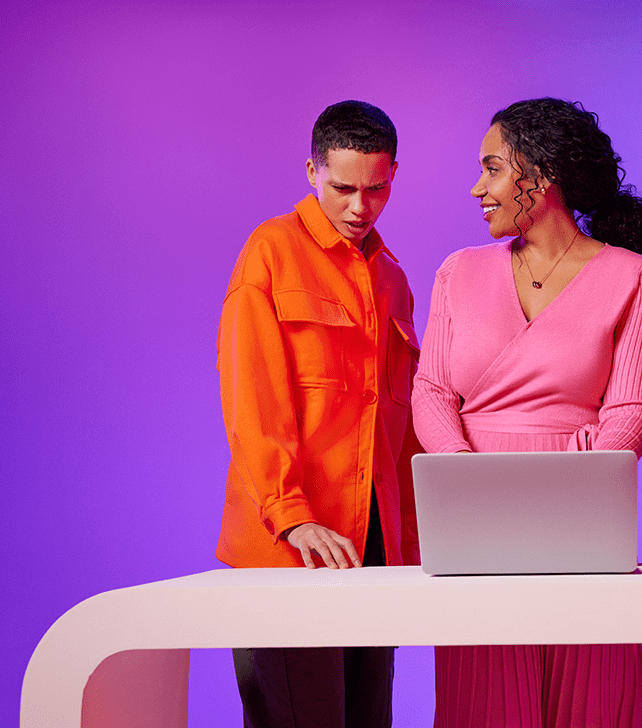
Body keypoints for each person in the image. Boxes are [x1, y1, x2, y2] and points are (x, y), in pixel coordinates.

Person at [412, 97, 642, 728]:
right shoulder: (457, 272)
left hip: (583, 516)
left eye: (493, 169)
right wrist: (461, 474)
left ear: (542, 174)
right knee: (483, 703)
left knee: (589, 695)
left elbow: (634, 409)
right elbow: (430, 391)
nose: (478, 187)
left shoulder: (633, 275)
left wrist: (579, 474)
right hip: (473, 524)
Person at [215, 100, 421, 728]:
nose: (361, 207)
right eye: (343, 189)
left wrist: (419, 539)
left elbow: (400, 425)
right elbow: (253, 400)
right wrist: (291, 515)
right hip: (290, 547)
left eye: (377, 189)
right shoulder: (270, 252)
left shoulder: (392, 277)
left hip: (376, 552)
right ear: (311, 171)